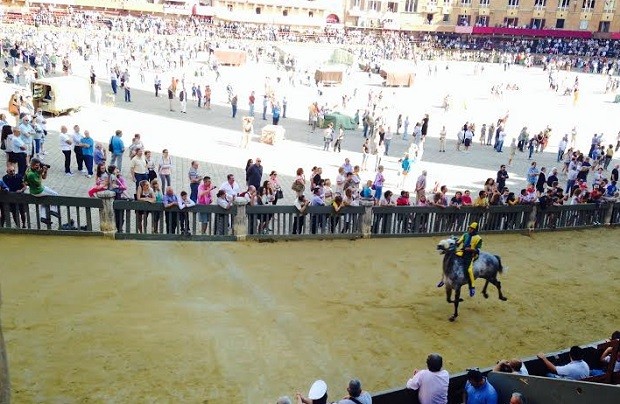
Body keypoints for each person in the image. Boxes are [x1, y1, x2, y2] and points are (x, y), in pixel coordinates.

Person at [24, 158, 59, 225]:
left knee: (44, 202)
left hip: (36, 189)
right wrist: (39, 173)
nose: (38, 167)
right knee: (55, 194)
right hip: (38, 191)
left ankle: (43, 217)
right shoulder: (31, 174)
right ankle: (53, 210)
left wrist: (45, 171)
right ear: (32, 165)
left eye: (38, 165)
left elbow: (44, 177)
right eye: (36, 165)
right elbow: (38, 183)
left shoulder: (30, 169)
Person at [455, 222, 482, 297]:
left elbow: (478, 250)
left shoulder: (478, 238)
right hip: (462, 252)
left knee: (469, 270)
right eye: (469, 228)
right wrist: (454, 241)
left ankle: (472, 287)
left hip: (470, 256)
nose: (469, 229)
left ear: (475, 230)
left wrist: (470, 250)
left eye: (472, 228)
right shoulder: (465, 235)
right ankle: (443, 279)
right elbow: (458, 243)